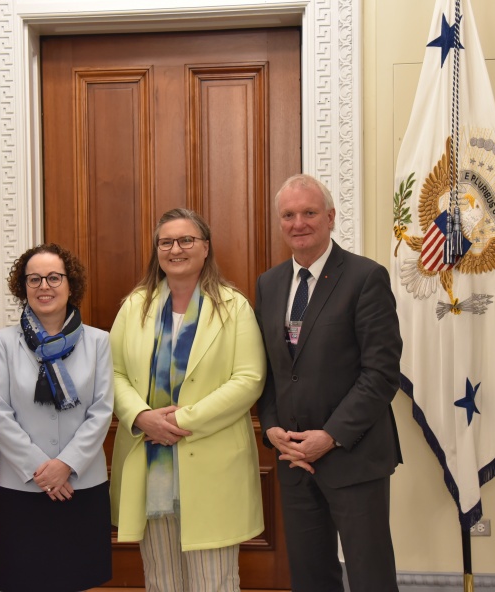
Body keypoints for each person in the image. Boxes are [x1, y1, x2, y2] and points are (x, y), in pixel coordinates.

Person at [255, 174, 402, 592]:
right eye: (288, 215)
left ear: (331, 217)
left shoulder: (365, 278)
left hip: (353, 456)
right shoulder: (269, 284)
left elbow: (381, 373)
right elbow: (268, 369)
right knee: (310, 575)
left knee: (369, 574)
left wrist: (331, 436)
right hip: (294, 461)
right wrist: (272, 429)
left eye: (309, 213)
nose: (298, 223)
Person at [110, 208, 265, 592]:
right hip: (150, 461)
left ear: (205, 247)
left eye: (186, 240)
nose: (175, 249)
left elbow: (248, 379)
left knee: (215, 582)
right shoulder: (135, 306)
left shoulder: (234, 306)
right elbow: (111, 374)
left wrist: (182, 420)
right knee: (161, 579)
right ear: (157, 250)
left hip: (212, 462)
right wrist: (142, 416)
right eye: (166, 242)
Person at [0, 243, 113, 592]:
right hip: (23, 486)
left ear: (70, 284)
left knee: (77, 579)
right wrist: (42, 469)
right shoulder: (2, 343)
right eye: (34, 279)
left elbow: (102, 411)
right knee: (20, 580)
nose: (44, 286)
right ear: (22, 286)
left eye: (54, 277)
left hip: (80, 484)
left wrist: (66, 465)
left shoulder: (99, 342)